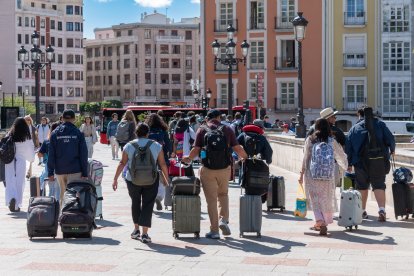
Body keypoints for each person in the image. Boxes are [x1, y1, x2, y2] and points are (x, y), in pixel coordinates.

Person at [183, 109, 248, 239]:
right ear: (219, 117)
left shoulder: (202, 129)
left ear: (208, 118)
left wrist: (188, 159)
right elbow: (237, 148)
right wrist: (245, 157)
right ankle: (223, 220)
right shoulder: (227, 129)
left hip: (207, 169)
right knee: (223, 194)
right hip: (224, 168)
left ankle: (214, 230)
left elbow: (196, 149)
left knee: (211, 200)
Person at [112, 123, 170, 243]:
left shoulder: (129, 145)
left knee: (135, 202)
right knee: (148, 204)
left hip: (132, 180)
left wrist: (115, 179)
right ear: (147, 133)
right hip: (151, 179)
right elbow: (162, 163)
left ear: (136, 133)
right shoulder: (156, 145)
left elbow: (122, 163)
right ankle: (145, 234)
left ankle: (136, 230)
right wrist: (166, 178)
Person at [346, 106, 395, 222]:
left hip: (360, 163)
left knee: (362, 186)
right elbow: (390, 139)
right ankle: (382, 210)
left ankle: (362, 211)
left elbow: (349, 147)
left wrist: (349, 163)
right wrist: (392, 150)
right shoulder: (380, 125)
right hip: (378, 160)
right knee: (379, 185)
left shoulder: (354, 129)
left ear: (360, 115)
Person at [299, 118, 348, 235]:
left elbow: (306, 158)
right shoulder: (331, 140)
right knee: (325, 198)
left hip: (312, 174)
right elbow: (341, 155)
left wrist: (302, 173)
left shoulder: (310, 140)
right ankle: (323, 222)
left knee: (315, 198)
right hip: (328, 174)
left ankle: (319, 221)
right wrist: (345, 166)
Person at [48, 109, 89, 205]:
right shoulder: (78, 133)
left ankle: (63, 215)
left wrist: (50, 172)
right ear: (74, 119)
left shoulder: (55, 133)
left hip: (60, 170)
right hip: (75, 169)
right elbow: (83, 154)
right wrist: (85, 172)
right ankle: (73, 215)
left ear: (62, 118)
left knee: (63, 193)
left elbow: (51, 154)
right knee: (74, 195)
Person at [4, 117, 35, 212]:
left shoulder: (9, 134)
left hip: (9, 161)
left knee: (10, 181)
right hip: (21, 161)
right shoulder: (26, 136)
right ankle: (17, 204)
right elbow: (30, 151)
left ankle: (11, 199)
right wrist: (31, 159)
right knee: (20, 182)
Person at [147, 113, 172, 210]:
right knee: (161, 179)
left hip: (149, 158)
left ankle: (151, 197)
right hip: (162, 157)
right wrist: (169, 153)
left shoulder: (147, 130)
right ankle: (159, 197)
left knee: (150, 179)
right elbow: (168, 144)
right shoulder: (163, 130)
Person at [38, 122, 60, 200]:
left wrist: (45, 155)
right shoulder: (63, 141)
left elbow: (39, 154)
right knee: (58, 189)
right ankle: (58, 204)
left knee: (49, 185)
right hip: (61, 167)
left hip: (50, 167)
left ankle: (50, 202)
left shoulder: (47, 141)